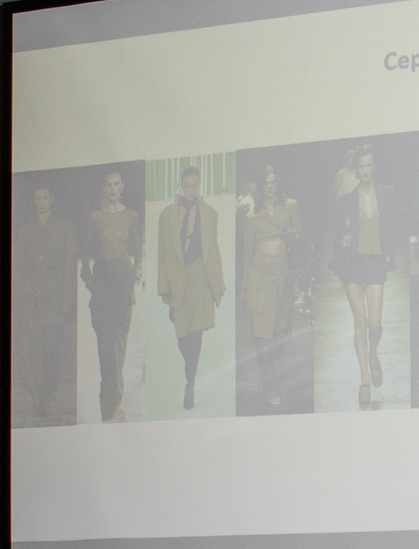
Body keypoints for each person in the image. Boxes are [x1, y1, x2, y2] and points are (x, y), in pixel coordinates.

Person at [156, 165, 225, 411]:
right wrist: (164, 287)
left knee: (196, 334)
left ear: (200, 186)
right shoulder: (166, 215)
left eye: (195, 185)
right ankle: (190, 373)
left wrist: (218, 283)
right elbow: (162, 253)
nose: (191, 190)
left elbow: (212, 250)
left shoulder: (210, 213)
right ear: (180, 186)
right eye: (187, 185)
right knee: (182, 334)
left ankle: (190, 383)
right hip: (177, 279)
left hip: (200, 277)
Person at [331, 147, 392, 409]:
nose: (366, 171)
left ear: (374, 166)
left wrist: (391, 253)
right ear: (356, 169)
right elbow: (335, 231)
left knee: (375, 323)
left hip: (377, 260)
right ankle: (365, 380)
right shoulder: (346, 199)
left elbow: (395, 226)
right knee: (360, 322)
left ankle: (373, 352)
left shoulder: (387, 194)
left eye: (369, 165)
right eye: (361, 166)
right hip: (353, 263)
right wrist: (341, 240)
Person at [236, 162, 300, 412]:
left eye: (274, 182)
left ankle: (273, 379)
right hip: (259, 277)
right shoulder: (252, 218)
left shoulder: (290, 210)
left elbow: (301, 240)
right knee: (263, 335)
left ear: (278, 185)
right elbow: (246, 254)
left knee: (282, 332)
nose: (270, 187)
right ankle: (270, 385)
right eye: (266, 183)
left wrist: (294, 234)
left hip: (282, 277)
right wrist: (244, 288)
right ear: (261, 188)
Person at [16, 182, 79, 424]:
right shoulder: (24, 231)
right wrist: (22, 293)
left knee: (52, 349)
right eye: (37, 198)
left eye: (45, 197)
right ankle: (39, 398)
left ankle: (50, 387)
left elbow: (68, 268)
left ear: (52, 199)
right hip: (31, 297)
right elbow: (19, 267)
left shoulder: (64, 229)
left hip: (54, 298)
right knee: (33, 351)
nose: (42, 202)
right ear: (34, 202)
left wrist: (66, 302)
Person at [83, 169, 140, 421]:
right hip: (103, 282)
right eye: (108, 185)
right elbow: (86, 252)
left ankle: (114, 398)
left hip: (122, 281)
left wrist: (135, 273)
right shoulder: (95, 217)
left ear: (122, 186)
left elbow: (137, 252)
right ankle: (108, 406)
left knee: (119, 342)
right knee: (106, 344)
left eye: (117, 184)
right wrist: (89, 279)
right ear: (103, 189)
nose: (112, 189)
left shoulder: (131, 216)